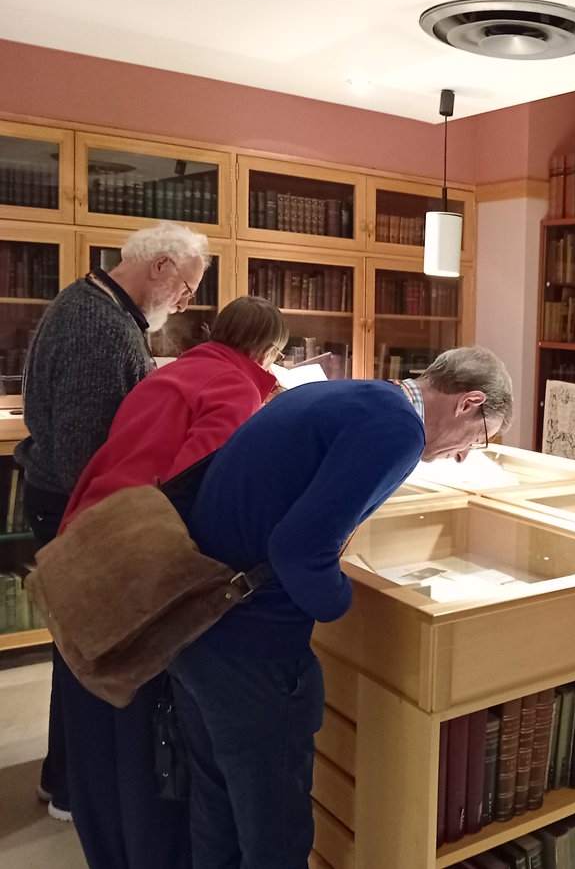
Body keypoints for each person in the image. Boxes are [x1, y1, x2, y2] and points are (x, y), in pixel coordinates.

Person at [168, 345, 513, 869]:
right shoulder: (399, 430)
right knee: (275, 833)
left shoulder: (357, 395)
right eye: (481, 437)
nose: (466, 453)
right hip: (253, 649)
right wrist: (345, 604)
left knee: (217, 810)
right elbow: (299, 548)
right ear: (469, 402)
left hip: (198, 624)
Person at [49, 296, 286, 868]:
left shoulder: (176, 371)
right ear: (269, 349)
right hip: (137, 565)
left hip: (85, 543)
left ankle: (106, 849)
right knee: (141, 731)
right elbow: (201, 488)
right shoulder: (235, 389)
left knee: (95, 721)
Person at [15, 221, 209, 823]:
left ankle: (62, 779)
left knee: (74, 651)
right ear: (160, 267)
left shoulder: (91, 303)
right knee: (93, 656)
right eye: (186, 288)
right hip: (80, 511)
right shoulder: (99, 326)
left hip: (60, 500)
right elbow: (85, 451)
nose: (184, 303)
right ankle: (80, 791)